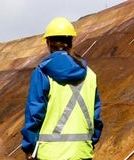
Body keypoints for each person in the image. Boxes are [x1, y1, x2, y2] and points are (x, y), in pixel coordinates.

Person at [21, 17, 104, 159]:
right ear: (71, 42)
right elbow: (96, 116)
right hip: (82, 152)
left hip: (50, 153)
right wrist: (89, 142)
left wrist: (29, 147)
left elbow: (34, 113)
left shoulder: (42, 72)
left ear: (48, 43)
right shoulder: (90, 74)